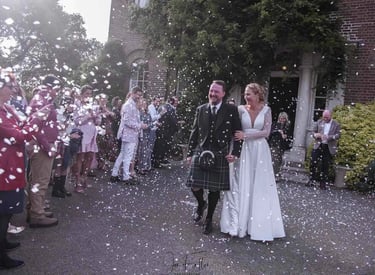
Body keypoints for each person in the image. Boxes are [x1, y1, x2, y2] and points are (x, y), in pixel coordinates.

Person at [220, 83, 285, 241]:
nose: (246, 97)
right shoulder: (241, 109)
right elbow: (234, 129)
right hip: (244, 151)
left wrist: (246, 136)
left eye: (249, 94)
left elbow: (266, 132)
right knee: (241, 182)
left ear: (257, 95)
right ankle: (237, 222)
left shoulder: (266, 110)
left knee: (259, 186)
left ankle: (258, 224)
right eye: (245, 94)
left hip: (260, 150)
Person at [0, 68, 45, 269]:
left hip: (12, 165)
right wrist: (38, 119)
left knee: (8, 210)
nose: (14, 90)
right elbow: (18, 135)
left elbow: (23, 124)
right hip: (5, 168)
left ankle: (3, 242)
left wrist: (32, 119)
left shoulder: (7, 109)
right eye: (10, 86)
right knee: (2, 211)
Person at [186, 80, 242, 235]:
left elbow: (237, 133)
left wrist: (235, 153)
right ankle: (201, 203)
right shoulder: (201, 109)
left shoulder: (230, 110)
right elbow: (195, 132)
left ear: (223, 93)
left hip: (219, 153)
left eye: (216, 91)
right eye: (211, 91)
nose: (213, 94)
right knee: (194, 185)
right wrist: (190, 153)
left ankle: (209, 219)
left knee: (214, 190)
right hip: (202, 151)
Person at [26, 74, 62, 228]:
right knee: (40, 180)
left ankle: (34, 208)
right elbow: (36, 128)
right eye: (56, 88)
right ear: (49, 87)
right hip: (42, 147)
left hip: (43, 145)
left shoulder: (42, 100)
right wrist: (48, 148)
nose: (58, 92)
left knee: (36, 179)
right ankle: (37, 215)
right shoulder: (41, 101)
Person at [110, 87, 147, 184]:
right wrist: (140, 126)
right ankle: (126, 177)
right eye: (138, 95)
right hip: (128, 134)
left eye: (140, 95)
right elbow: (127, 121)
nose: (139, 97)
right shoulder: (128, 105)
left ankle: (114, 174)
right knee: (127, 156)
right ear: (133, 93)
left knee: (122, 155)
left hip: (130, 134)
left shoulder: (132, 105)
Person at [71, 85, 101, 193]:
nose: (88, 96)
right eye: (86, 93)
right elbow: (76, 121)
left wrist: (96, 117)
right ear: (82, 94)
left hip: (92, 133)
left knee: (89, 157)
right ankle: (77, 180)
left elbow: (98, 121)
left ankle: (85, 177)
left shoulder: (94, 106)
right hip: (82, 133)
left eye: (90, 94)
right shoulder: (77, 105)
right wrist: (87, 116)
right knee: (80, 157)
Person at [308, 109, 341, 190]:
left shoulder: (336, 124)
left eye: (326, 117)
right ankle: (311, 179)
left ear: (330, 116)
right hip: (318, 145)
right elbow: (313, 132)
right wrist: (316, 135)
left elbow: (338, 135)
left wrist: (329, 137)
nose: (325, 119)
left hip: (328, 146)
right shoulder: (319, 122)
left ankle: (322, 183)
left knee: (325, 165)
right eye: (324, 117)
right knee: (313, 161)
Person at [152, 96, 179, 168]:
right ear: (171, 101)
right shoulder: (169, 108)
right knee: (160, 147)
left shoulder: (165, 107)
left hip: (162, 130)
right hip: (164, 131)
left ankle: (159, 160)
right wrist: (177, 127)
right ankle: (157, 162)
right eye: (175, 101)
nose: (177, 103)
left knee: (160, 146)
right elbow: (173, 120)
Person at [268, 111, 292, 176]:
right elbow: (270, 132)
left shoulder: (287, 126)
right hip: (274, 144)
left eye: (283, 118)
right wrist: (277, 131)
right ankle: (274, 174)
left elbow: (287, 136)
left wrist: (283, 134)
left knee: (279, 159)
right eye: (281, 118)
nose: (282, 120)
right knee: (274, 159)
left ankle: (277, 172)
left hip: (281, 145)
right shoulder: (274, 124)